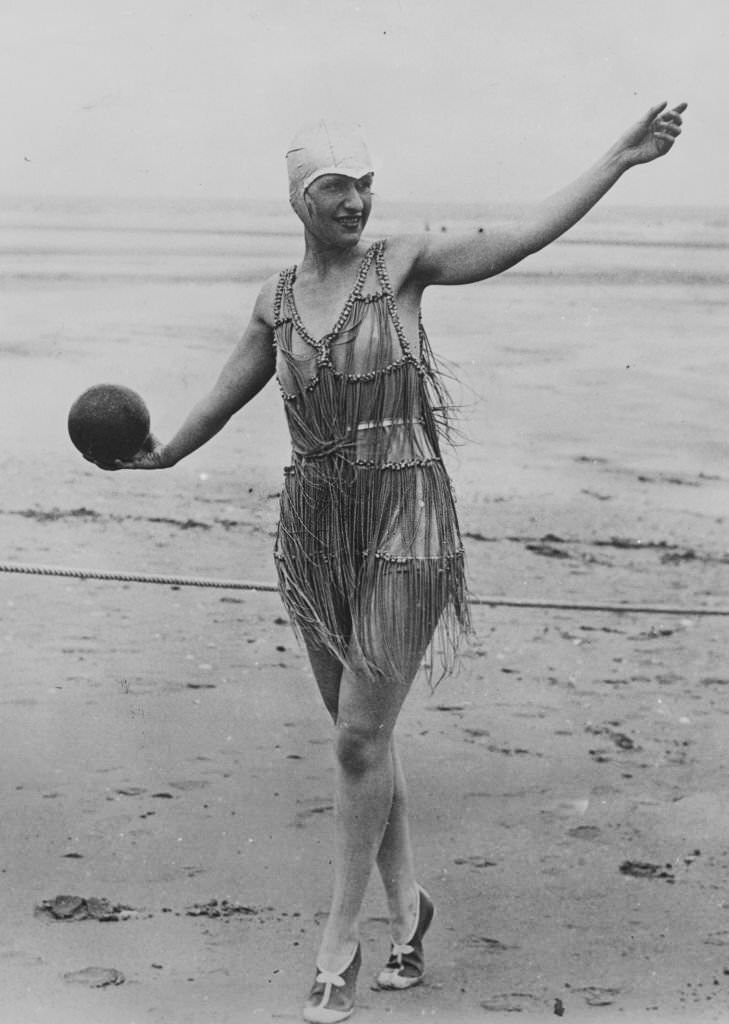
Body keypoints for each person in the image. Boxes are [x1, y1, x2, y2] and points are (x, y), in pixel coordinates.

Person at [97, 101, 686, 1022]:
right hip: (314, 528)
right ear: (299, 198)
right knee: (360, 738)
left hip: (405, 515)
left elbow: (521, 238)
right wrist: (162, 453)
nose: (356, 201)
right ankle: (409, 912)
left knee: (357, 739)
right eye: (336, 186)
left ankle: (341, 944)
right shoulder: (276, 299)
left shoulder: (403, 264)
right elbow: (227, 392)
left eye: (365, 183)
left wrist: (619, 157)